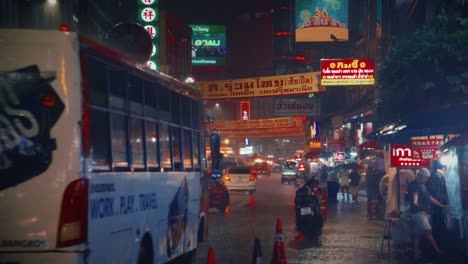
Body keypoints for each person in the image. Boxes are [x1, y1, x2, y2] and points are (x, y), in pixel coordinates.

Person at [408, 167, 447, 261]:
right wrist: (422, 210)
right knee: (428, 231)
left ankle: (416, 254)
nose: (427, 180)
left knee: (417, 234)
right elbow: (415, 201)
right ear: (420, 176)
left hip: (422, 213)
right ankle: (437, 250)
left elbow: (430, 198)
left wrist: (442, 206)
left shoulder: (422, 185)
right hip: (418, 214)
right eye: (426, 178)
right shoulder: (414, 185)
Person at [426, 160, 449, 252]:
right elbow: (439, 192)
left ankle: (437, 246)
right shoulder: (438, 176)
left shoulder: (433, 175)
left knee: (436, 225)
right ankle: (440, 246)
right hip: (438, 205)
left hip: (434, 205)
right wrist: (443, 204)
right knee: (439, 225)